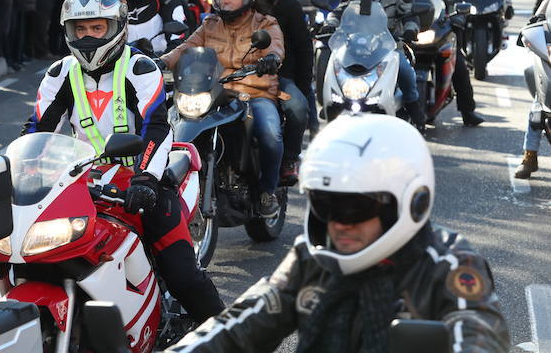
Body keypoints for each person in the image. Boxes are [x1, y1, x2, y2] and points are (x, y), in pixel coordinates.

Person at [168, 113, 510, 353]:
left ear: (409, 203)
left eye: (353, 208)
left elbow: (479, 332)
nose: (338, 223)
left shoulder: (448, 264)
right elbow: (240, 325)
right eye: (325, 206)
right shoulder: (311, 259)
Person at [24, 0, 224, 323]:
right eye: (80, 28)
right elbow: (37, 129)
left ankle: (228, 335)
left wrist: (146, 178)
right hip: (79, 184)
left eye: (97, 27)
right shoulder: (59, 73)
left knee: (182, 274)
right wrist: (21, 173)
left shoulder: (140, 68)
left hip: (142, 182)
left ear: (117, 27)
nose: (88, 36)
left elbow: (157, 127)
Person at [161, 0, 285, 217]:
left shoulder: (265, 23)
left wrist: (271, 58)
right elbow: (185, 48)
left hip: (255, 93)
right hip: (216, 93)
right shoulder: (210, 25)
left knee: (270, 134)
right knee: (171, 124)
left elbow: (276, 47)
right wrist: (161, 61)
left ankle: (267, 191)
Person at [323, 0, 427, 131]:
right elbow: (338, 12)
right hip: (354, 48)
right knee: (331, 66)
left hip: (390, 48)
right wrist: (330, 24)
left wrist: (410, 30)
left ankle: (416, 112)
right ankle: (330, 104)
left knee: (406, 73)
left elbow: (411, 14)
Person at [238, 0, 312, 186]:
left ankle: (289, 159)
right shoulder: (227, 1)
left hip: (279, 76)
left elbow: (303, 47)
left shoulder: (285, 3)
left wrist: (301, 85)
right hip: (233, 75)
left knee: (297, 108)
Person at [399, 0, 484, 127]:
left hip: (440, 31)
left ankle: (468, 111)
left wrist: (458, 17)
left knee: (460, 68)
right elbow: (396, 2)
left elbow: (456, 0)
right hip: (410, 33)